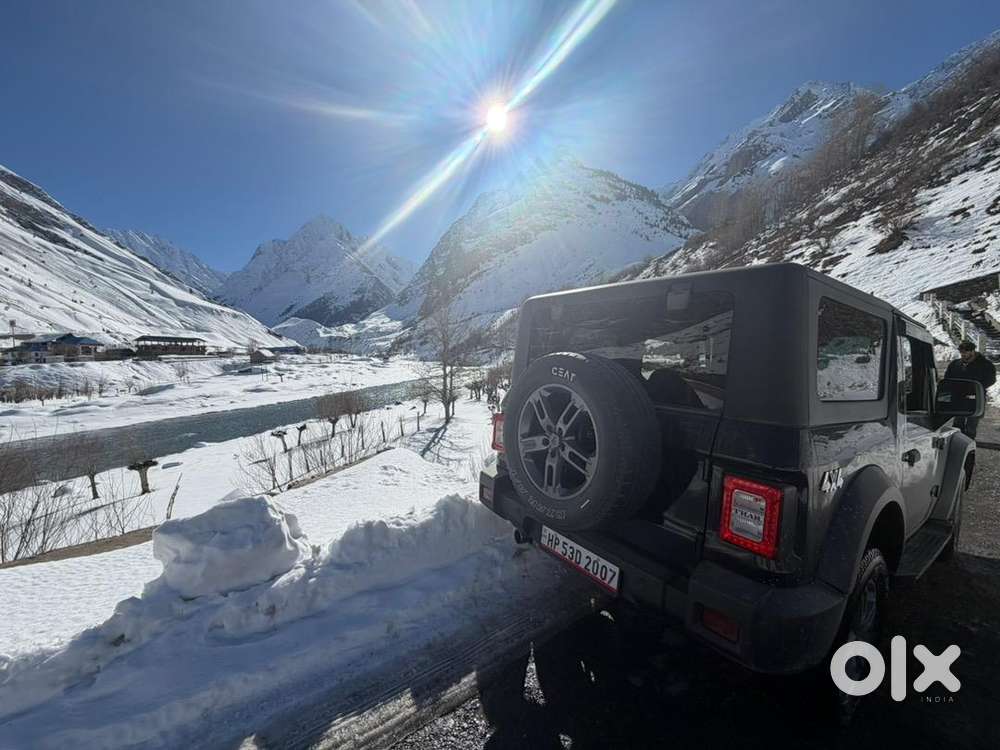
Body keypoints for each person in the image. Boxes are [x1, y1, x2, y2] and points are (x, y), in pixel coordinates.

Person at [944, 340, 996, 439]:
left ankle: (969, 444)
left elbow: (991, 380)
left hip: (976, 398)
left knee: (971, 425)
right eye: (961, 352)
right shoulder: (955, 364)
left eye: (965, 352)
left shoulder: (985, 365)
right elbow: (948, 379)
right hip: (959, 398)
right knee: (957, 424)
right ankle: (957, 443)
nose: (962, 355)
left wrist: (976, 387)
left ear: (972, 351)